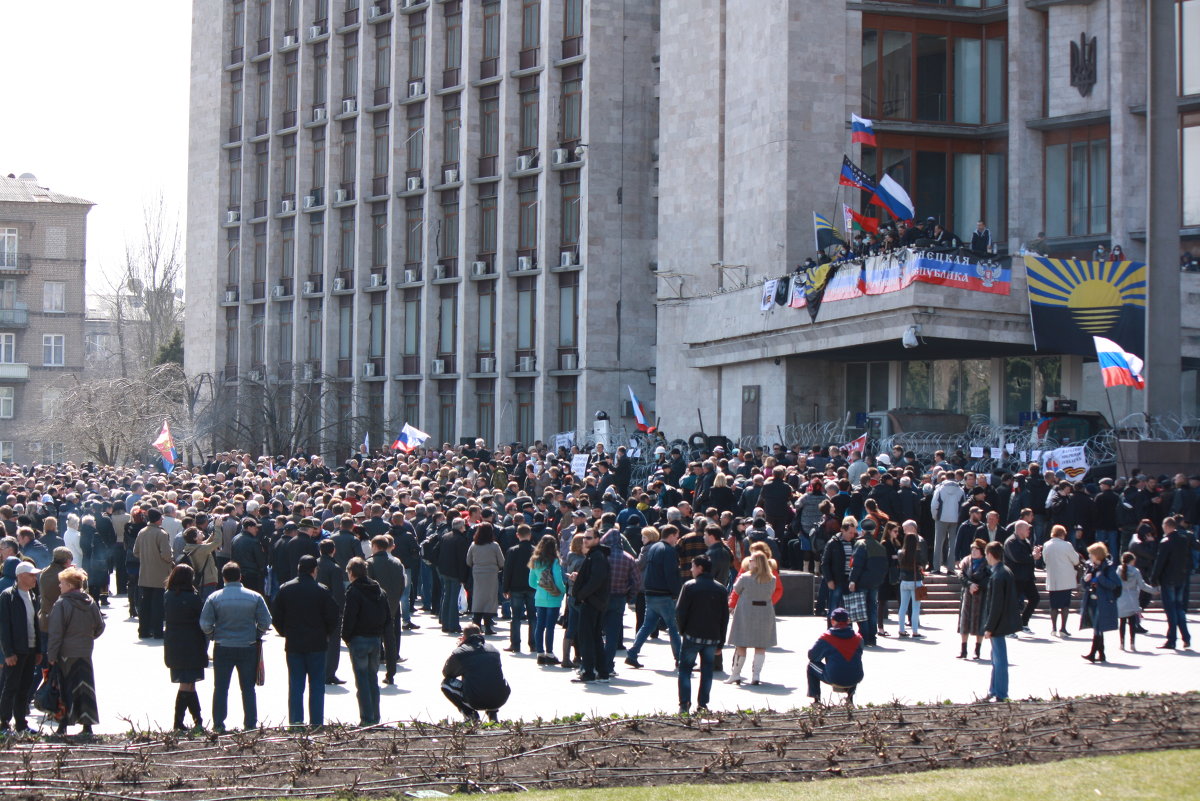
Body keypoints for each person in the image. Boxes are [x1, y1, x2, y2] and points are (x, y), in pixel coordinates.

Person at [200, 562, 273, 732]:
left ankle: (218, 724)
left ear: (223, 577)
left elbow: (205, 623)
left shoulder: (214, 598)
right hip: (248, 645)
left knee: (220, 688)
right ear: (240, 576)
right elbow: (266, 621)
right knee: (248, 688)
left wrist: (213, 635)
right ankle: (250, 723)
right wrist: (257, 634)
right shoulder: (254, 597)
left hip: (223, 646)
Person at [274, 554, 339, 727]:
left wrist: (285, 632)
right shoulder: (322, 590)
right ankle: (316, 722)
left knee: (296, 685)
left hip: (294, 643)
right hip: (317, 643)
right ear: (314, 570)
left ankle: (296, 722)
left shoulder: (285, 589)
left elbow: (276, 616)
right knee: (317, 685)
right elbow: (333, 617)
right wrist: (325, 633)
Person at [46, 566, 105, 736]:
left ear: (70, 585)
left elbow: (56, 633)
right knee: (85, 687)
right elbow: (100, 626)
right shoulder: (90, 601)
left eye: (62, 583)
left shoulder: (62, 603)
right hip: (85, 651)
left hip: (66, 653)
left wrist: (52, 655)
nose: (60, 586)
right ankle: (87, 725)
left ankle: (63, 725)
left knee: (66, 688)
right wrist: (87, 638)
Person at [675, 554, 729, 715]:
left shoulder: (690, 586)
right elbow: (724, 618)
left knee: (685, 669)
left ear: (700, 568)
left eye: (692, 566)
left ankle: (684, 703)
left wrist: (682, 630)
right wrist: (721, 642)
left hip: (692, 634)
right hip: (712, 637)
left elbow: (680, 611)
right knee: (707, 671)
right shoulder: (720, 589)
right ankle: (703, 704)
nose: (691, 570)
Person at [624, 525, 682, 670]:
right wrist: (676, 592)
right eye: (676, 536)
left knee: (647, 625)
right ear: (672, 535)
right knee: (673, 627)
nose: (677, 539)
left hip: (650, 592)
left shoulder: (654, 547)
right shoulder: (669, 551)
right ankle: (680, 658)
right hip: (664, 594)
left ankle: (632, 653)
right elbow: (671, 574)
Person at [342, 556, 390, 726]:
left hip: (359, 639)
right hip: (375, 639)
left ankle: (366, 718)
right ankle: (375, 717)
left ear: (351, 573)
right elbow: (387, 616)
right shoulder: (379, 590)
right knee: (372, 679)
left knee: (361, 681)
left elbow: (349, 618)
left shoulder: (353, 591)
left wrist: (346, 637)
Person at [164, 563, 208, 731]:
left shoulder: (168, 596)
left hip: (174, 643)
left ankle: (196, 720)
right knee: (187, 683)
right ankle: (180, 722)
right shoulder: (193, 597)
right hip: (192, 642)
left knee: (188, 684)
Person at [725, 550, 778, 685]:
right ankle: (756, 675)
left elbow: (736, 590)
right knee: (761, 645)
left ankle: (735, 674)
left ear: (757, 563)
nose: (749, 562)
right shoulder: (772, 579)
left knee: (741, 644)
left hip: (746, 611)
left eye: (752, 560)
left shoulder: (745, 577)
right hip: (765, 612)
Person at [0, 562, 41, 733]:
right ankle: (4, 724)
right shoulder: (8, 596)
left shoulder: (32, 595)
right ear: (20, 576)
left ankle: (21, 724)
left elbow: (35, 624)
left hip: (30, 650)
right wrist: (8, 653)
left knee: (24, 688)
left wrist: (38, 649)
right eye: (31, 575)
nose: (34, 578)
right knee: (10, 687)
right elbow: (3, 627)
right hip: (16, 651)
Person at [441, 622, 511, 722]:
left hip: (475, 699)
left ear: (464, 638)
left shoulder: (461, 652)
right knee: (491, 680)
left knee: (445, 684)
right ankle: (493, 715)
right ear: (481, 634)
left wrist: (459, 648)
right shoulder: (493, 649)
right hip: (501, 697)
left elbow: (447, 672)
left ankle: (470, 714)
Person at [569, 525, 612, 683]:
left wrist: (581, 594)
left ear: (597, 539)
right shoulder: (595, 555)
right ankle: (602, 672)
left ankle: (589, 672)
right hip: (594, 601)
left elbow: (596, 580)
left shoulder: (597, 556)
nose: (584, 540)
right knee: (594, 638)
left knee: (587, 637)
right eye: (584, 537)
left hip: (592, 602)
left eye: (588, 538)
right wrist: (579, 578)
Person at [981, 541, 1020, 702]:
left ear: (990, 554)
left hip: (998, 623)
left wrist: (989, 627)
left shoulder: (997, 575)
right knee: (996, 657)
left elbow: (995, 604)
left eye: (986, 554)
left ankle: (1001, 692)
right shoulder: (1005, 571)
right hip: (1005, 620)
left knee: (1000, 659)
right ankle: (994, 689)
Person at [366, 535, 407, 684]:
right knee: (390, 640)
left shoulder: (370, 563)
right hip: (392, 604)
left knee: (374, 640)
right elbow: (403, 584)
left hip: (375, 606)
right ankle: (391, 673)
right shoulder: (397, 563)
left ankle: (372, 671)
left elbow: (368, 585)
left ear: (375, 546)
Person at [806, 608, 864, 705]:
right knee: (851, 663)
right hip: (856, 677)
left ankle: (816, 700)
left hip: (834, 677)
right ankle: (850, 699)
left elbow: (812, 656)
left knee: (811, 665)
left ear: (832, 621)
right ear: (848, 621)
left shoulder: (827, 637)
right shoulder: (858, 638)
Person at [1150, 517, 1192, 649]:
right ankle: (1186, 637)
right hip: (1181, 578)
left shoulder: (1165, 542)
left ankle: (1172, 639)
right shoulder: (1183, 539)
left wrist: (1154, 578)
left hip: (1168, 579)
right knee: (1179, 608)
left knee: (1170, 610)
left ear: (1167, 526)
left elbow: (1160, 562)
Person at [133, 508, 174, 639]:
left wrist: (147, 558)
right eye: (161, 518)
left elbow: (136, 551)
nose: (162, 519)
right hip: (160, 574)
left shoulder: (142, 532)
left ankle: (143, 630)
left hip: (145, 573)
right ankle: (157, 631)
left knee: (145, 604)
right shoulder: (161, 534)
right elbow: (167, 555)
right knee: (158, 605)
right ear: (157, 519)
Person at [847, 518, 887, 647]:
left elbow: (856, 565)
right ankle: (872, 637)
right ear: (874, 530)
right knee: (872, 609)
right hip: (875, 583)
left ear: (862, 531)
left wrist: (853, 580)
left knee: (861, 610)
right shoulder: (880, 546)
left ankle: (864, 635)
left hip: (862, 582)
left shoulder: (860, 544)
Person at [1080, 543, 1120, 663]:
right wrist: (1085, 580)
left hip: (1103, 601)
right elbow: (1084, 584)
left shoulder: (1108, 567)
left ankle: (1092, 654)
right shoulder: (1091, 566)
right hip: (1091, 600)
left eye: (1091, 554)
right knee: (1098, 627)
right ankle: (1102, 654)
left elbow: (1114, 584)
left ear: (1097, 555)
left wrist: (1100, 578)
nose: (1089, 556)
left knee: (1098, 626)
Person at [316, 539, 347, 685]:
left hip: (316, 609)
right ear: (333, 550)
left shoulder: (315, 564)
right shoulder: (334, 568)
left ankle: (319, 671)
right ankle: (329, 673)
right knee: (333, 644)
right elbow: (338, 592)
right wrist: (341, 610)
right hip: (330, 610)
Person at [1003, 520, 1041, 635]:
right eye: (1027, 529)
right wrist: (1032, 556)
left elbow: (1028, 557)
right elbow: (1017, 558)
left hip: (1026, 577)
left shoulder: (1025, 541)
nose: (1029, 531)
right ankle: (1008, 628)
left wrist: (1035, 553)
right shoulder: (1011, 541)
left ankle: (1023, 623)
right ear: (1019, 530)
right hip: (1016, 577)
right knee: (1012, 603)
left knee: (1035, 598)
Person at [501, 524, 535, 654]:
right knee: (533, 616)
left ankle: (515, 644)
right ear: (530, 535)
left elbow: (507, 571)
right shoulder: (535, 550)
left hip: (515, 587)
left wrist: (505, 588)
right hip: (532, 587)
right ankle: (534, 644)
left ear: (517, 535)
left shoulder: (512, 551)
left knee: (516, 617)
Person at [466, 523, 504, 635]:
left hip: (477, 574)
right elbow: (502, 562)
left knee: (478, 597)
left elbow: (468, 561)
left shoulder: (474, 545)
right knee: (490, 599)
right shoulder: (494, 545)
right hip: (491, 574)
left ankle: (476, 624)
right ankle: (488, 626)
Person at [1043, 524, 1080, 637]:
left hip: (1053, 579)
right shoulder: (1067, 545)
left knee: (1053, 606)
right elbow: (1075, 560)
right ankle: (1063, 628)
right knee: (1065, 605)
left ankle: (1053, 628)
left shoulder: (1046, 545)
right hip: (1065, 579)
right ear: (1063, 534)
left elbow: (1045, 560)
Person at [1116, 552, 1157, 651]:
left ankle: (1122, 643)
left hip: (1121, 599)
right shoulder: (1136, 571)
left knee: (1122, 622)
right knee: (1132, 623)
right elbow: (1142, 586)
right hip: (1133, 599)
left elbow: (1116, 584)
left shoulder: (1118, 570)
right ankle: (1132, 643)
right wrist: (1154, 590)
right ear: (1132, 561)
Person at [956, 539, 989, 660]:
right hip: (967, 594)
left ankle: (977, 650)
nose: (974, 552)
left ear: (982, 551)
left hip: (981, 595)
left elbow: (989, 578)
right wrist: (969, 584)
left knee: (980, 621)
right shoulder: (966, 561)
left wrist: (977, 586)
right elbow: (961, 575)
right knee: (964, 621)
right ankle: (963, 650)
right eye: (972, 549)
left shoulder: (987, 563)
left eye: (976, 549)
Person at [896, 525, 924, 638]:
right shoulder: (918, 553)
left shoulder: (900, 553)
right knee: (915, 607)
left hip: (904, 581)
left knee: (903, 606)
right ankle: (915, 631)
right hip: (916, 581)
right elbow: (922, 565)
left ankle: (901, 630)